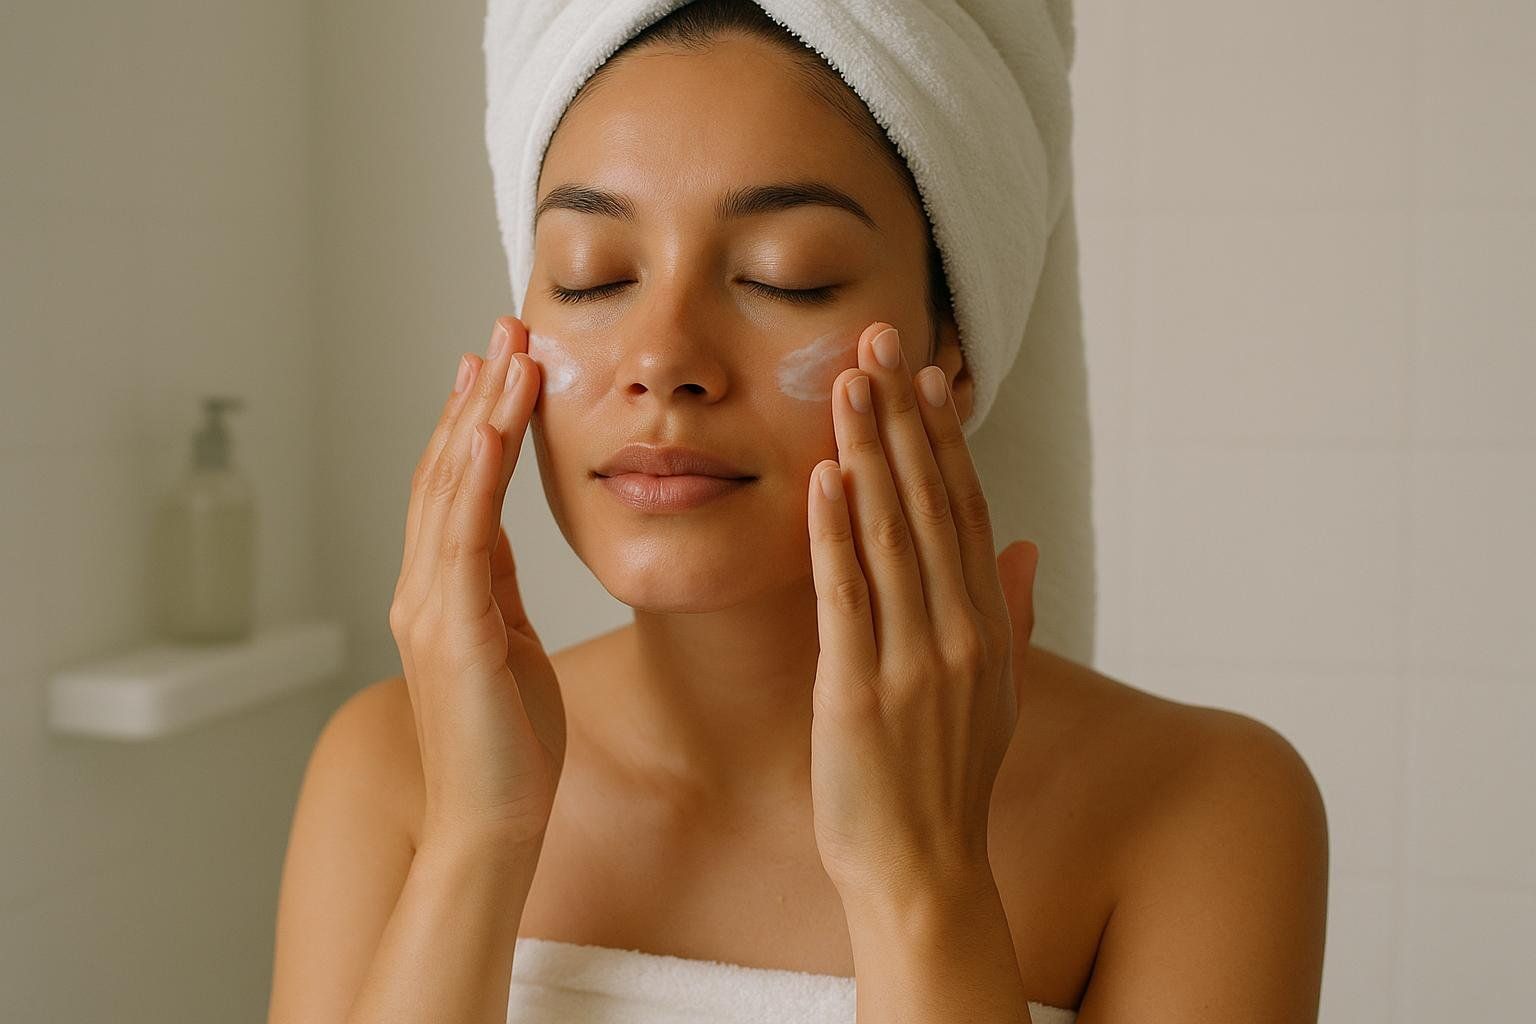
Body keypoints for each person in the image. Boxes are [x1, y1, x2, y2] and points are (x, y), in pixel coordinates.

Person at [267, 2, 1329, 1021]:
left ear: (953, 351)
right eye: (592, 278)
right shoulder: (390, 772)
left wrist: (921, 879)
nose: (663, 359)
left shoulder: (1205, 810)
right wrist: (476, 844)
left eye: (788, 277)